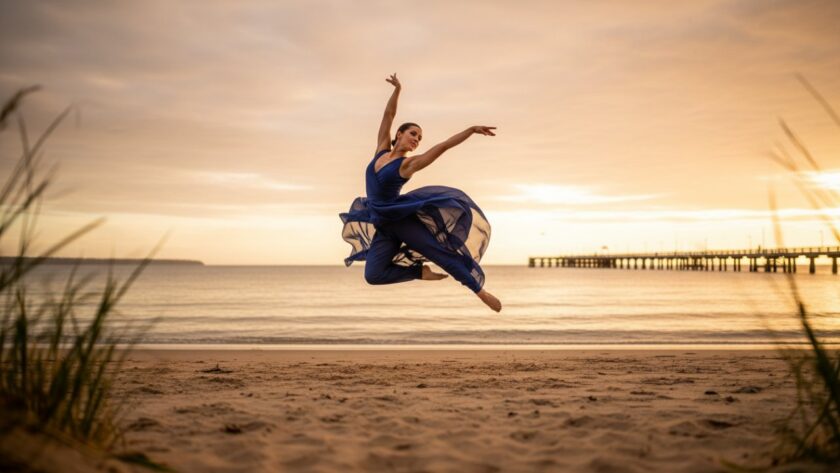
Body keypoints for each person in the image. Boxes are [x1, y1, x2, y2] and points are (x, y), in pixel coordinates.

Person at [339, 74, 502, 312]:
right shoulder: (380, 151)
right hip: (382, 223)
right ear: (399, 135)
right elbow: (388, 116)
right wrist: (397, 90)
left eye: (419, 138)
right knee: (372, 275)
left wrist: (470, 130)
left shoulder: (407, 165)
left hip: (400, 219)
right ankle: (419, 272)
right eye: (413, 134)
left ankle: (480, 292)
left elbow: (442, 146)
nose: (416, 139)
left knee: (439, 254)